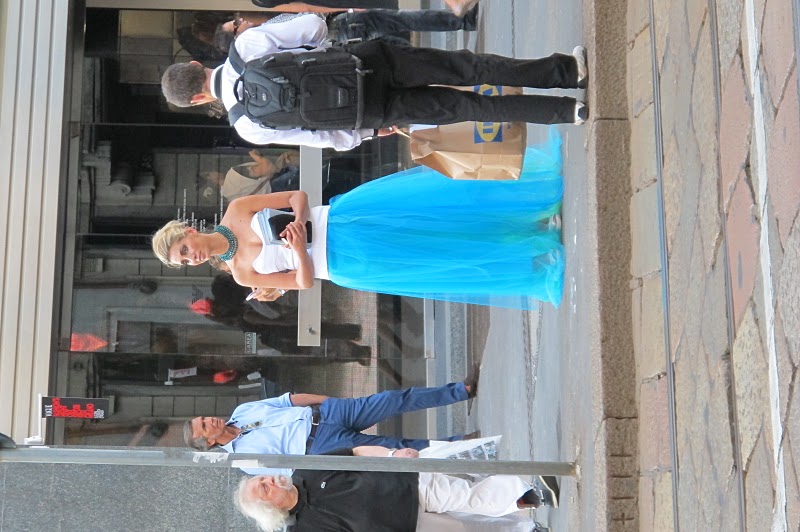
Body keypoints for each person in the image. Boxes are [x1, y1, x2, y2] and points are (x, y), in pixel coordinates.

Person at [151, 128, 565, 309]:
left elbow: (297, 196)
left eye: (184, 249)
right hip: (345, 262)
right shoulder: (243, 275)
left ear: (188, 231)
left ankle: (532, 212)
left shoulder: (238, 209)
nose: (191, 257)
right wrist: (298, 250)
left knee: (435, 214)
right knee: (434, 253)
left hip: (345, 219)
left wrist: (299, 221)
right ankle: (531, 252)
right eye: (184, 261)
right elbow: (303, 282)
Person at [160, 13, 588, 151]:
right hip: (372, 63)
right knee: (470, 68)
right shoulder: (246, 45)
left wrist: (367, 132)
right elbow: (313, 27)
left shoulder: (245, 126)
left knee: (471, 109)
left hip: (370, 111)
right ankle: (567, 72)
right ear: (199, 64)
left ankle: (568, 112)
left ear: (197, 99)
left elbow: (317, 137)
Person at [185, 374, 480, 476]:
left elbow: (288, 400)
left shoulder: (242, 411)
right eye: (205, 427)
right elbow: (290, 470)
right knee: (396, 450)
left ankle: (461, 391)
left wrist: (329, 401)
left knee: (392, 399)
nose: (210, 420)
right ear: (209, 442)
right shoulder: (243, 461)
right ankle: (462, 446)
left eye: (204, 418)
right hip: (321, 446)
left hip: (327, 414)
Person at [234, 445, 559, 532]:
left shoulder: (305, 468)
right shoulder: (304, 529)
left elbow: (355, 452)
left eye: (263, 478)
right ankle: (526, 528)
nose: (269, 480)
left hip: (407, 482)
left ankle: (530, 495)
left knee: (469, 497)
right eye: (264, 488)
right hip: (405, 526)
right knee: (469, 529)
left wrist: (392, 455)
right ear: (270, 509)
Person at [212, 7, 480, 54]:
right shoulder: (264, 36)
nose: (241, 20)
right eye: (235, 24)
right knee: (400, 23)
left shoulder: (262, 42)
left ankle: (459, 57)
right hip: (337, 30)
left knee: (400, 47)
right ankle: (462, 22)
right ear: (236, 35)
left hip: (338, 38)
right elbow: (308, 22)